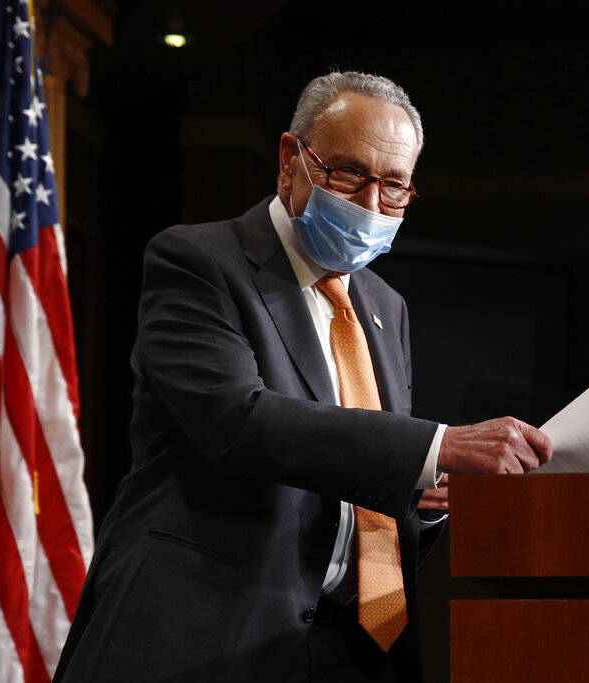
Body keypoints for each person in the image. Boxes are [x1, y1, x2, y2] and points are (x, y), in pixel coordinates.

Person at [53, 71, 552, 683]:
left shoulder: (384, 306)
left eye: (394, 187)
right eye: (348, 173)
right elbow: (237, 420)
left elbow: (364, 472)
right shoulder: (199, 261)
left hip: (350, 649)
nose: (370, 205)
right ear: (291, 159)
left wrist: (426, 496)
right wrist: (436, 444)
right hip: (200, 640)